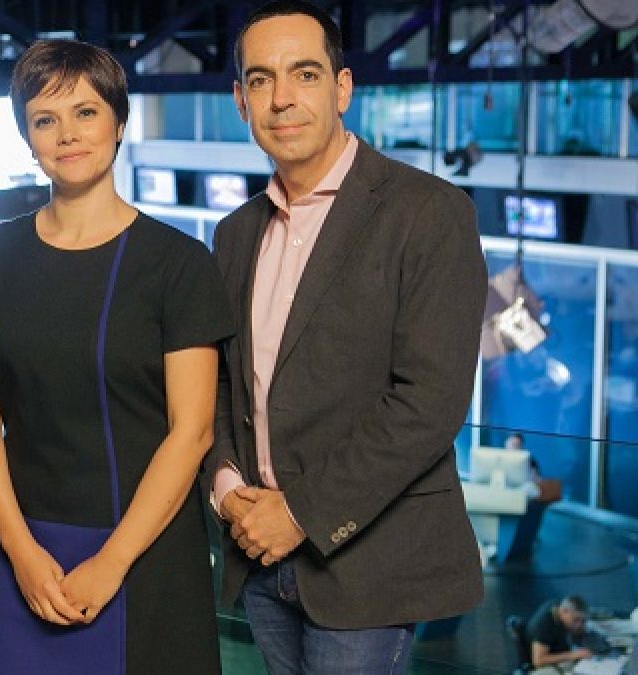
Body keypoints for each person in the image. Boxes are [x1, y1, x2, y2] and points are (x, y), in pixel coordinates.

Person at [208, 1, 487, 673]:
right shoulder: (235, 234)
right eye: (260, 80)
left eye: (304, 74)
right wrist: (225, 486)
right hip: (257, 554)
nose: (282, 98)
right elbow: (220, 384)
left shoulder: (428, 212)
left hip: (366, 561)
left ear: (341, 89)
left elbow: (430, 402)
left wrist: (299, 513)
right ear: (241, 102)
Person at [0, 39, 231, 675]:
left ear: (119, 121)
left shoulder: (178, 264)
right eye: (45, 119)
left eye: (85, 112)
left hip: (148, 557)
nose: (67, 135)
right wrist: (20, 553)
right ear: (27, 138)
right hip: (30, 555)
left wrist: (111, 563)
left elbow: (191, 433)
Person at [525, 596, 593, 668]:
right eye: (576, 620)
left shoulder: (559, 605)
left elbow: (579, 626)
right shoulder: (544, 626)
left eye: (582, 620)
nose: (579, 625)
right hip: (546, 659)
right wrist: (573, 655)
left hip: (561, 646)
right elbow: (538, 661)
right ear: (564, 611)